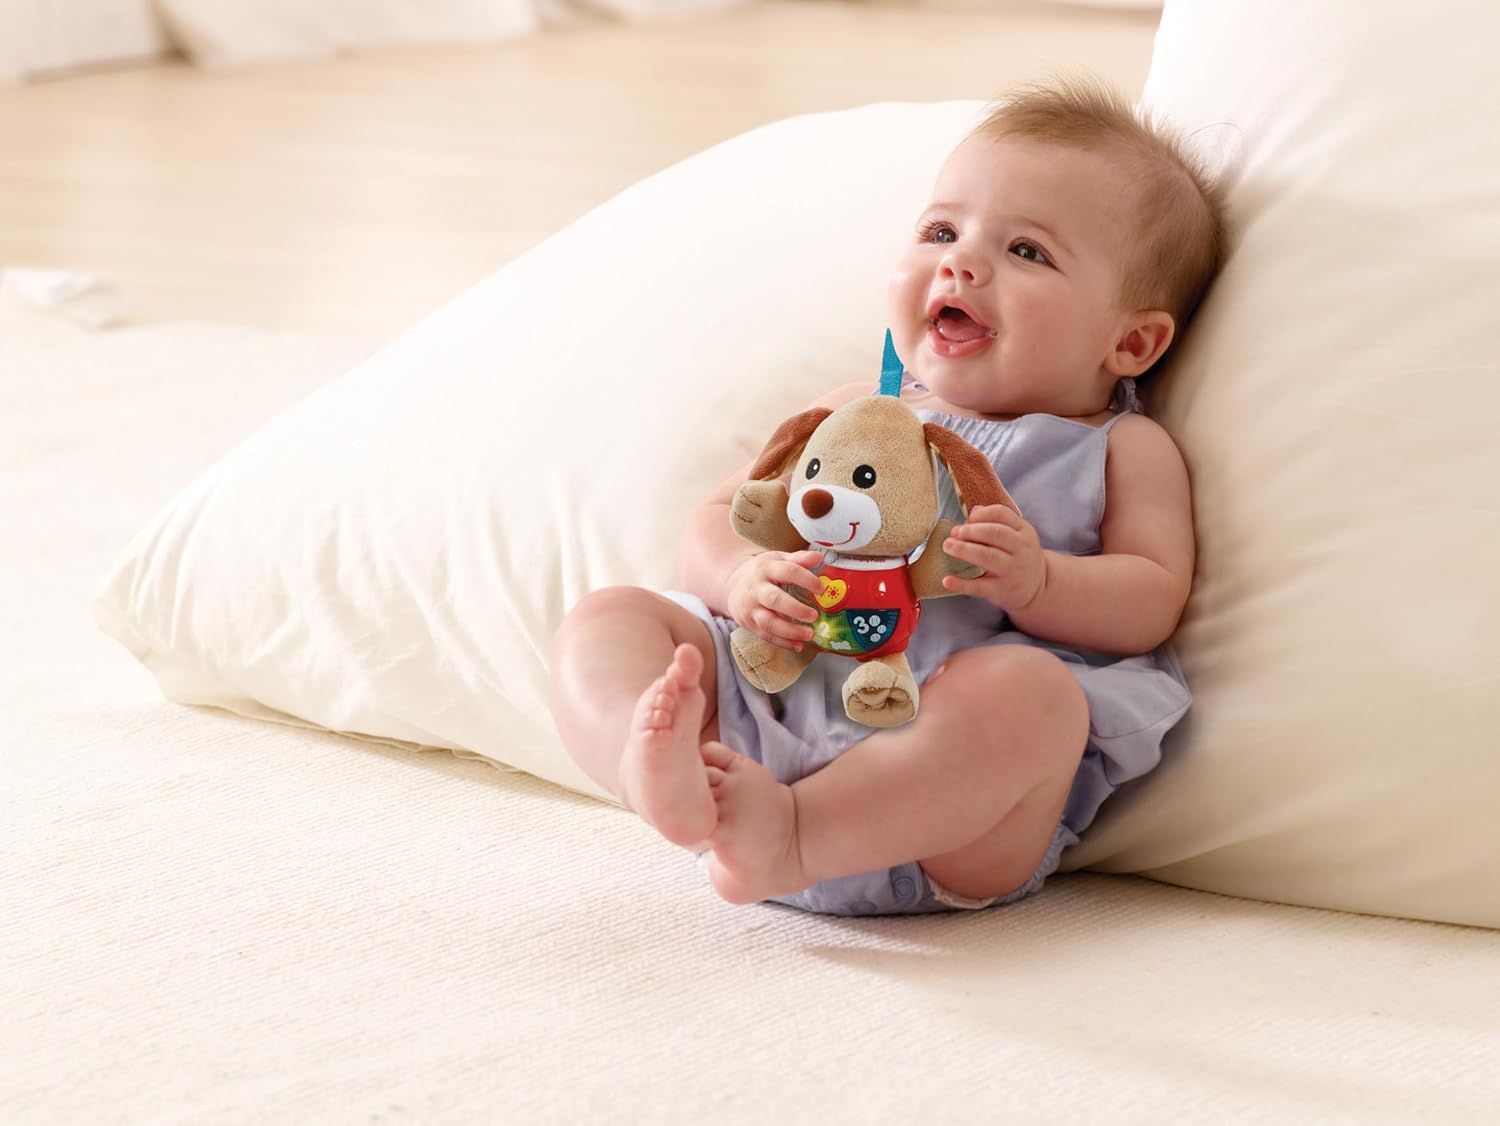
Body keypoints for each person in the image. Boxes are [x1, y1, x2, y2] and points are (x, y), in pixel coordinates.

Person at [549, 77, 1227, 916]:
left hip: (941, 811)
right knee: (610, 619)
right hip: (759, 728)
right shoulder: (857, 413)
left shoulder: (1118, 447)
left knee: (1034, 700)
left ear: (1132, 341)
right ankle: (652, 769)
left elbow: (1152, 599)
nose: (960, 262)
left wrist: (1043, 583)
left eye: (1027, 252)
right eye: (942, 231)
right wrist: (739, 579)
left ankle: (797, 836)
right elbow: (720, 519)